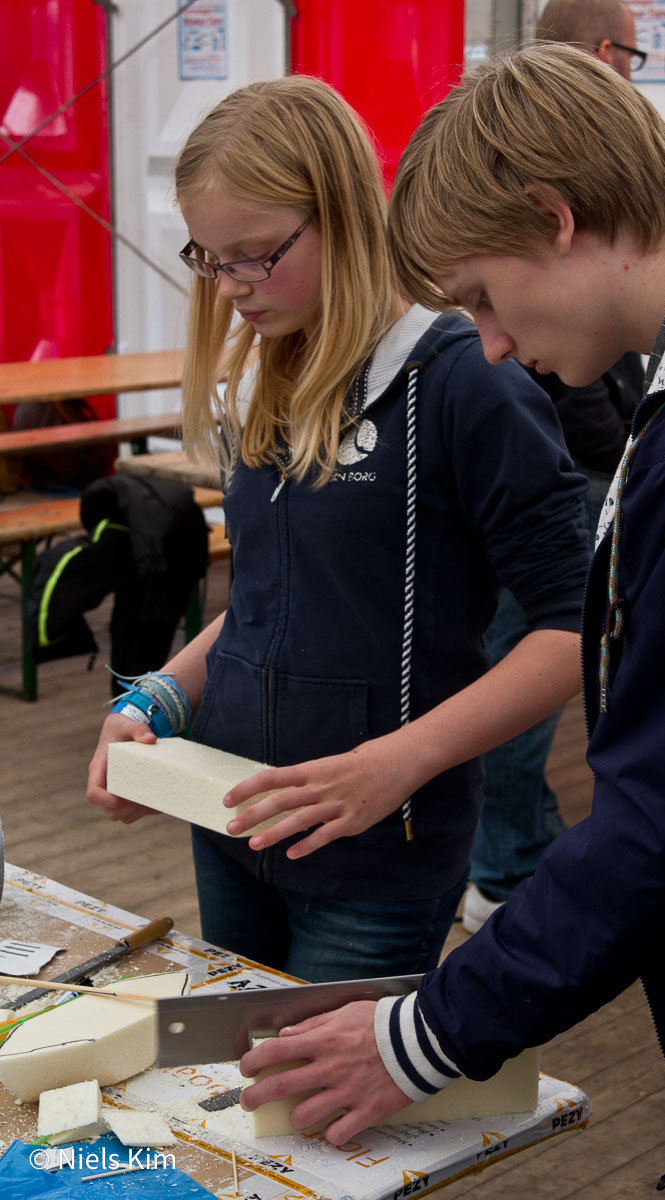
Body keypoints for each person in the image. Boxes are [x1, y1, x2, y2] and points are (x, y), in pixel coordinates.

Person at [237, 47, 665, 1197]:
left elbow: (663, 820)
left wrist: (423, 1036)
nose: (489, 343)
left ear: (554, 218)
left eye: (482, 298)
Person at [86, 75, 590, 984]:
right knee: (240, 1094)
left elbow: (573, 627)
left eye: (254, 255)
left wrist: (397, 763)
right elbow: (264, 607)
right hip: (231, 814)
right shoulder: (267, 372)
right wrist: (154, 698)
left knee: (318, 1110)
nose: (232, 288)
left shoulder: (465, 381)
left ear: (345, 215)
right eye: (210, 259)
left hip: (378, 854)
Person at [464, 0, 645, 934]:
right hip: (570, 468)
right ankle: (508, 867)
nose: (489, 343)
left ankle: (510, 866)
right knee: (527, 684)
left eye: (489, 301)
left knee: (533, 687)